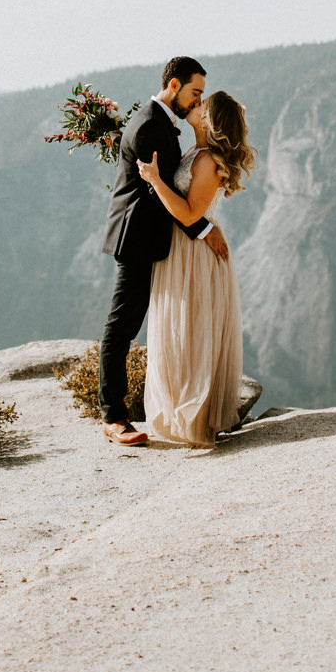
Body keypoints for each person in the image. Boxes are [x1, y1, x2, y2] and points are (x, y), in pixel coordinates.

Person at [96, 57, 227, 445]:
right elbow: (159, 190)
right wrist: (204, 229)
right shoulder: (152, 125)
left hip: (154, 239)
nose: (198, 100)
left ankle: (185, 404)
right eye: (195, 92)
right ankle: (113, 417)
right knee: (122, 325)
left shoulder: (157, 119)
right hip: (137, 238)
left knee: (159, 324)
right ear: (174, 86)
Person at [135, 89, 253, 446]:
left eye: (201, 104)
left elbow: (189, 213)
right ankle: (181, 414)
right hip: (183, 251)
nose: (194, 105)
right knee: (179, 330)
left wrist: (155, 180)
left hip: (195, 257)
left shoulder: (206, 160)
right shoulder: (196, 153)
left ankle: (195, 419)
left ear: (209, 119)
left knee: (190, 331)